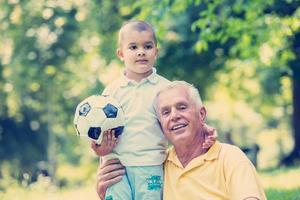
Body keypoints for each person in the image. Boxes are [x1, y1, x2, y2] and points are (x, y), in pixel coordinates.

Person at [91, 20, 216, 200]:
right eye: (133, 47)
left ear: (156, 52)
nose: (141, 51)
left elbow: (181, 118)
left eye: (147, 46)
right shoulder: (111, 91)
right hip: (117, 166)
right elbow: (98, 129)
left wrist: (205, 130)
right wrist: (99, 149)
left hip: (151, 165)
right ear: (121, 54)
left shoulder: (165, 89)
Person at [96, 81, 267, 200]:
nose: (174, 116)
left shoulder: (229, 157)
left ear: (201, 114)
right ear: (160, 126)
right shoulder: (158, 165)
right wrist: (105, 190)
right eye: (165, 112)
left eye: (182, 107)